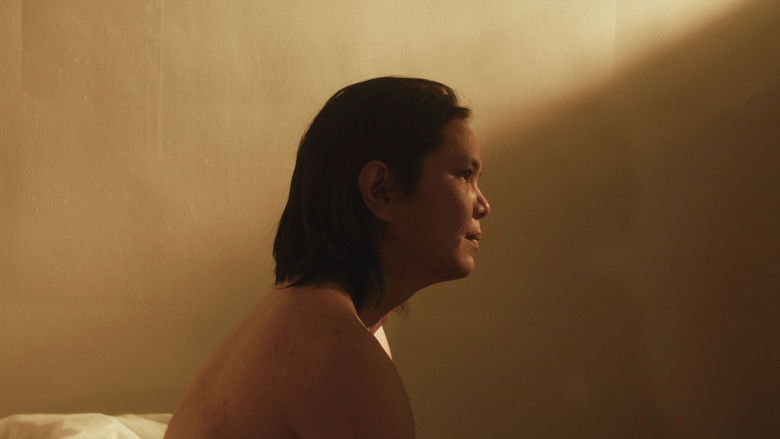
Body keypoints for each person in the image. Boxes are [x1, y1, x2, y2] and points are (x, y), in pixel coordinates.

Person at [163, 76, 490, 439]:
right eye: (465, 175)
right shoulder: (341, 355)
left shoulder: (316, 320)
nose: (483, 205)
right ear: (380, 189)